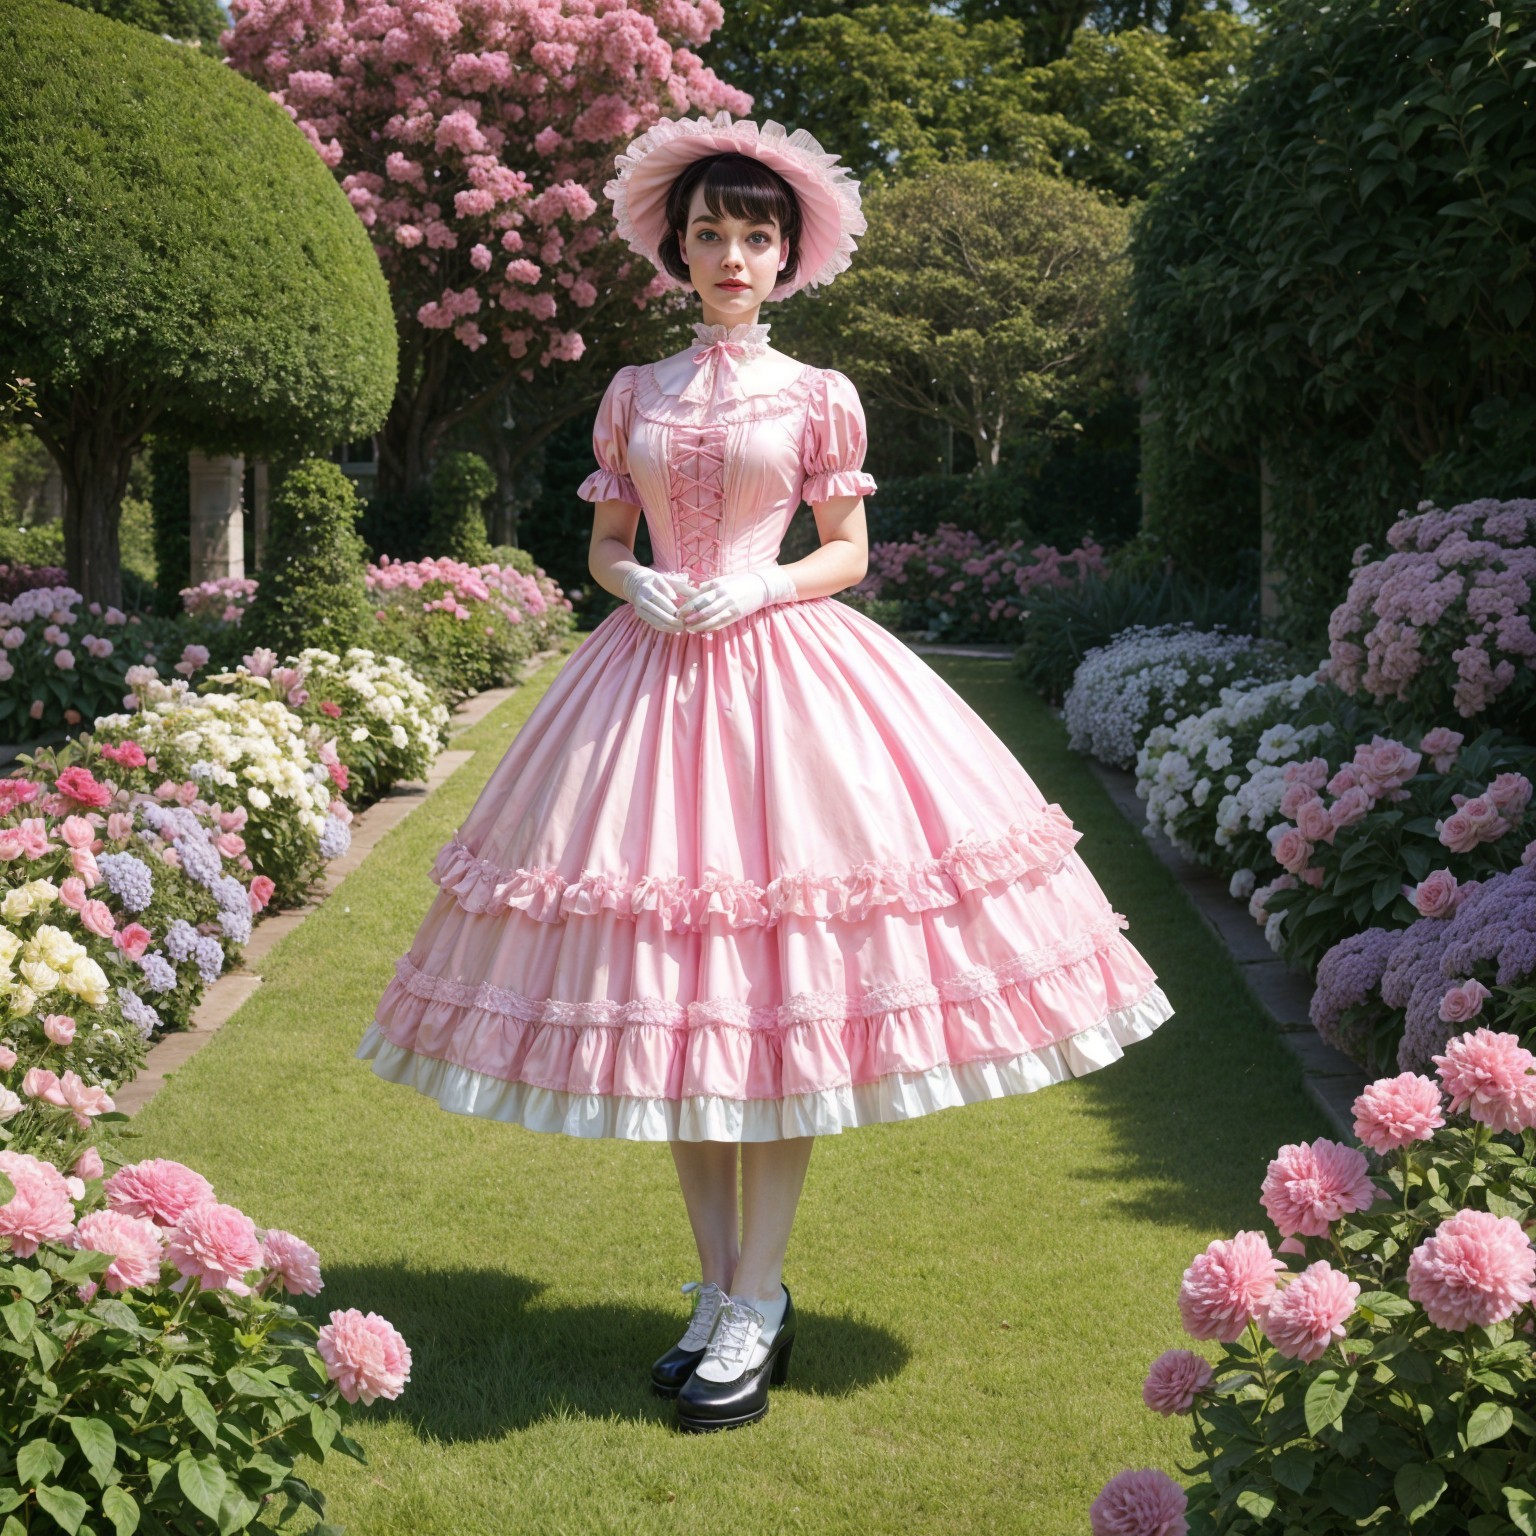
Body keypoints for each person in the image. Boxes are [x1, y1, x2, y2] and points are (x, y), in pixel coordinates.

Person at [355, 111, 1176, 1434]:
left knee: (776, 1001)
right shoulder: (634, 391)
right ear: (676, 250)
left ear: (787, 254)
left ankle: (759, 1294)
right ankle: (718, 1290)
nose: (732, 254)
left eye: (754, 234)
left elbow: (848, 550)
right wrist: (639, 582)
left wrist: (757, 585)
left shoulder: (820, 394)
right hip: (644, 690)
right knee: (682, 1010)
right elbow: (605, 544)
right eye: (710, 233)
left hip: (783, 688)